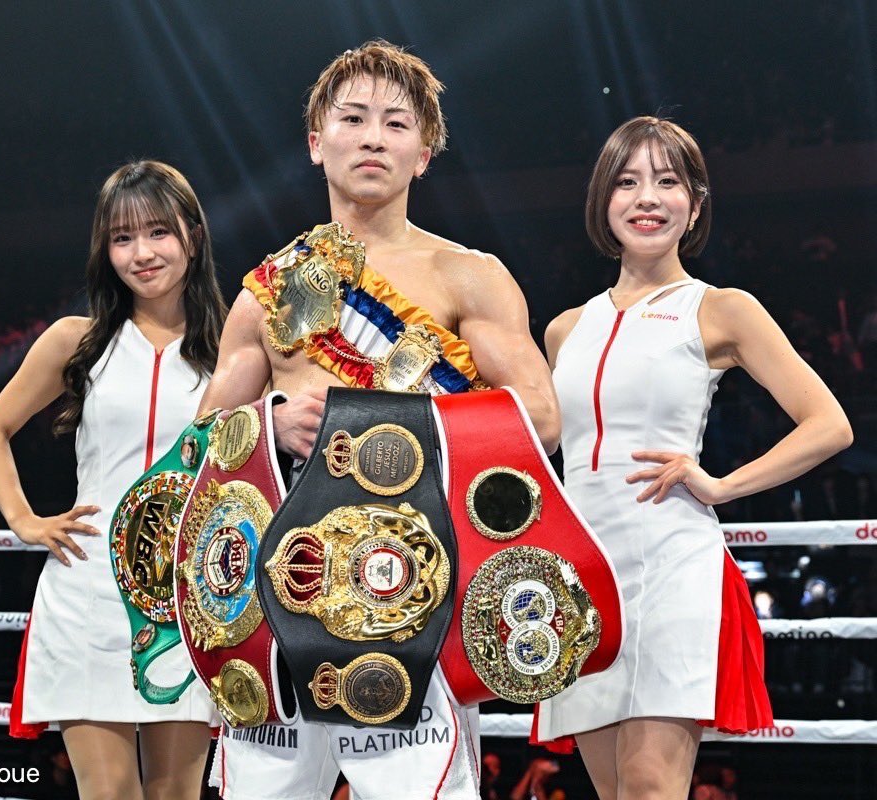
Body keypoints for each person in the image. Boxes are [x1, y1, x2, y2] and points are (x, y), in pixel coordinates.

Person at [200, 40, 559, 800]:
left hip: (413, 589)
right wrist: (271, 420)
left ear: (422, 155)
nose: (372, 138)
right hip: (280, 591)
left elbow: (539, 417)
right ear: (316, 142)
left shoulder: (470, 276)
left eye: (395, 124)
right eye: (353, 118)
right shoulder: (267, 292)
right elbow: (204, 440)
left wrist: (386, 428)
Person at [534, 116, 853, 799]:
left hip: (669, 564)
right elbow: (538, 445)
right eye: (627, 182)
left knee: (651, 786)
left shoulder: (720, 309)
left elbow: (829, 425)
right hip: (579, 577)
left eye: (667, 181)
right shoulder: (565, 329)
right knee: (614, 791)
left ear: (696, 203)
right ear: (603, 201)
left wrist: (722, 485)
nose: (647, 198)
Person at [0, 161, 228, 800]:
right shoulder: (76, 340)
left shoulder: (234, 349)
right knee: (109, 793)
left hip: (192, 599)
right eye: (122, 238)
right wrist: (24, 520)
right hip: (88, 591)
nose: (142, 253)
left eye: (158, 232)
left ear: (193, 235)